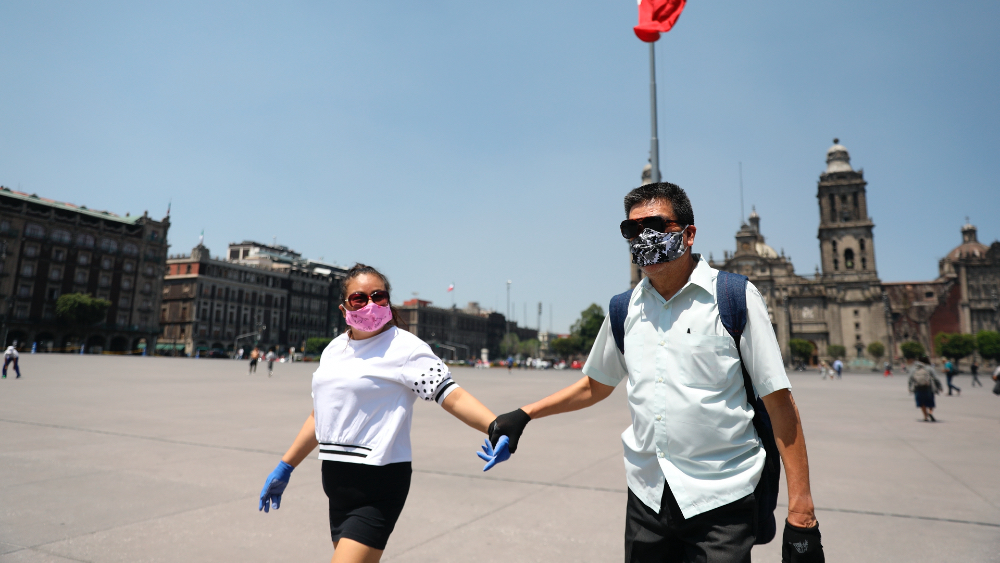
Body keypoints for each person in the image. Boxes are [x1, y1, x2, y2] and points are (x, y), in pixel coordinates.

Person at [485, 183, 823, 562]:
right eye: (632, 230)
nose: (643, 238)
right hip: (647, 500)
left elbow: (780, 404)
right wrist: (525, 414)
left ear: (689, 234)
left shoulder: (733, 297)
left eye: (657, 226)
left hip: (721, 503)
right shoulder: (624, 308)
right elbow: (595, 385)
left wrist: (802, 512)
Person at [258, 264, 497, 563]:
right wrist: (286, 466)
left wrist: (496, 426)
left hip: (380, 482)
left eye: (378, 296)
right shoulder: (334, 350)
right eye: (359, 298)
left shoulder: (404, 347)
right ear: (344, 306)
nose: (370, 304)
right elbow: (319, 416)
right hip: (337, 485)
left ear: (388, 301)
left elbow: (450, 393)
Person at [907, 355, 942, 421]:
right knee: (930, 401)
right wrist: (940, 386)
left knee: (922, 402)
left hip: (918, 387)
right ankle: (930, 412)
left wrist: (909, 387)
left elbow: (910, 378)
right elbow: (936, 378)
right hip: (929, 387)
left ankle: (925, 416)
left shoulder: (914, 368)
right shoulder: (929, 368)